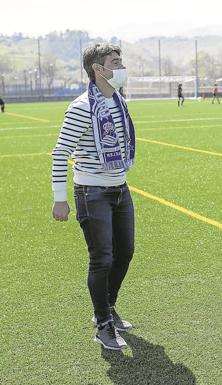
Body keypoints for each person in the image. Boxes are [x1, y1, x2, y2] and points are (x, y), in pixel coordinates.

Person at [51, 44, 137, 351]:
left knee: (125, 253)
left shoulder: (118, 101)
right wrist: (59, 198)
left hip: (120, 189)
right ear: (98, 69)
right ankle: (102, 325)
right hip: (91, 192)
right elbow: (60, 152)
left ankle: (108, 307)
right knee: (102, 259)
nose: (122, 66)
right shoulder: (81, 107)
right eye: (116, 62)